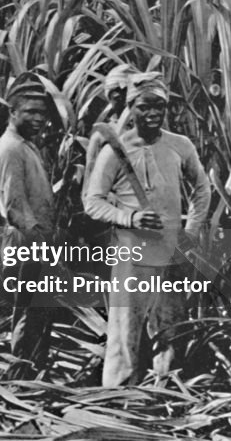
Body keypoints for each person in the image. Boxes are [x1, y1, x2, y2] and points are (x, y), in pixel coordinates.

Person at [84, 72, 211, 386]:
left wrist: (191, 230)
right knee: (125, 330)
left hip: (172, 250)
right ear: (132, 107)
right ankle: (118, 403)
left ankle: (163, 392)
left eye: (159, 106)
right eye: (144, 106)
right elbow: (93, 201)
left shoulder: (180, 145)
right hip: (132, 254)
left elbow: (201, 190)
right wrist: (130, 218)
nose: (152, 113)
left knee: (171, 325)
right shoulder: (116, 150)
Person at [0, 72, 58, 377]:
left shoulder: (25, 145)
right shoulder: (11, 149)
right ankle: (22, 376)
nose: (38, 118)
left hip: (34, 240)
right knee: (28, 311)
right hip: (25, 241)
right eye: (30, 111)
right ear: (12, 112)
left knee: (37, 309)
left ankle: (33, 371)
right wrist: (40, 242)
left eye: (42, 113)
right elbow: (14, 207)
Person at [82, 63, 136, 188]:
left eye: (128, 95)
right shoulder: (102, 135)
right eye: (117, 97)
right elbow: (90, 183)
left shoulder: (149, 131)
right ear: (110, 99)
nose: (125, 102)